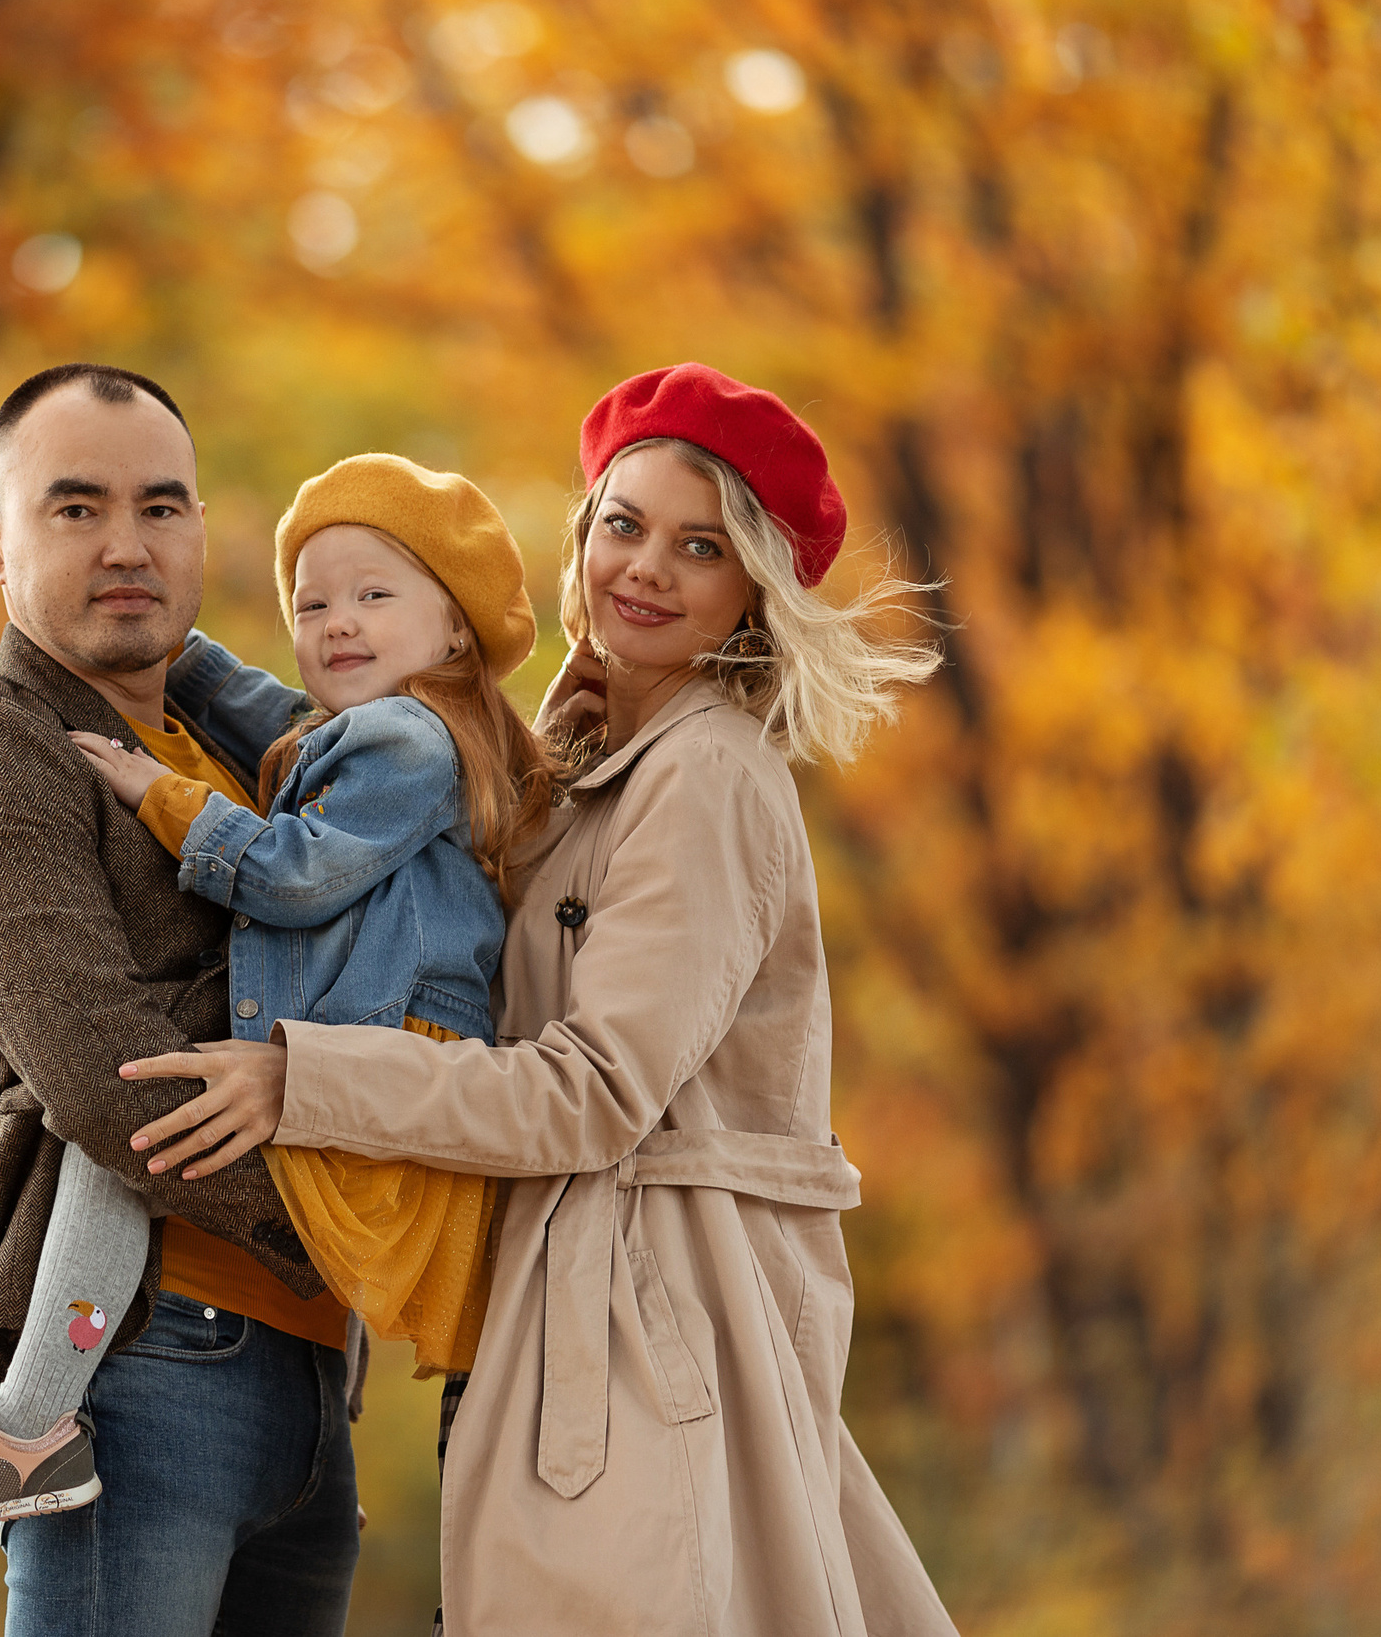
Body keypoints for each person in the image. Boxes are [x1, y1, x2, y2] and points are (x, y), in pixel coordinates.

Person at [117, 364, 965, 1635]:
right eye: (623, 524)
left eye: (701, 547)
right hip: (571, 1305)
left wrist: (305, 1081)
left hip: (655, 1319)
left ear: (750, 593)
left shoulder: (708, 775)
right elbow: (358, 779)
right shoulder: (577, 762)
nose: (648, 570)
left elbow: (595, 1090)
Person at [0, 452, 553, 1533]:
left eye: (375, 596)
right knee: (133, 1139)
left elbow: (295, 874)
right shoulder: (357, 730)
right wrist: (159, 630)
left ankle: (32, 1423)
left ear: (457, 630)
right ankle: (33, 1425)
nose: (337, 622)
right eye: (312, 601)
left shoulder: (406, 738)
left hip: (366, 1090)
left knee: (135, 1139)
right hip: (343, 1160)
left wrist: (169, 801)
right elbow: (254, 703)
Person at [0, 364, 358, 1635]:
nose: (126, 545)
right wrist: (378, 1207)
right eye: (74, 509)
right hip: (139, 1361)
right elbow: (108, 1077)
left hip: (310, 1371)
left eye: (161, 508)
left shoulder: (259, 756)